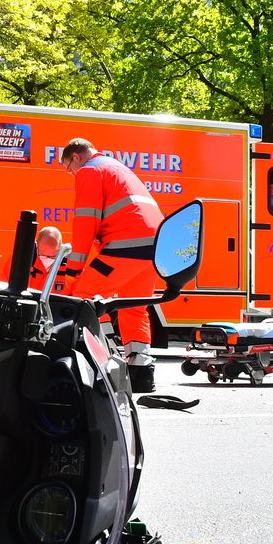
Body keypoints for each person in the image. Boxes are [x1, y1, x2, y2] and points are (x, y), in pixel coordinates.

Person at [52, 138, 164, 392]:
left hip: (127, 246)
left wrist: (73, 270)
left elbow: (85, 221)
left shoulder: (91, 170)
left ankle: (81, 363)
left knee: (79, 300)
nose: (72, 174)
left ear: (77, 157)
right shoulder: (118, 168)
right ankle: (141, 374)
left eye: (69, 168)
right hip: (154, 248)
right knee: (134, 308)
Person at [28, 226, 64, 291]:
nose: (47, 260)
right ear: (37, 246)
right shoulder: (20, 261)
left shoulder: (72, 266)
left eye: (53, 257)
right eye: (43, 256)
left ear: (60, 248)